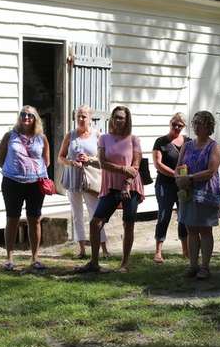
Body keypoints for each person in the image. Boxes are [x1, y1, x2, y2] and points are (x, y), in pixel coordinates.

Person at [77, 106, 144, 273]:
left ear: (127, 120)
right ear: (111, 119)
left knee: (128, 224)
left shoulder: (134, 139)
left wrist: (127, 184)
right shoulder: (104, 138)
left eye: (122, 118)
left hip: (131, 187)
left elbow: (135, 166)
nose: (118, 120)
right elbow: (103, 163)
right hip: (111, 186)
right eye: (116, 117)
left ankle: (124, 263)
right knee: (95, 222)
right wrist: (122, 169)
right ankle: (94, 262)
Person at [0, 105, 50, 271]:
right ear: (19, 117)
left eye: (30, 115)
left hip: (36, 184)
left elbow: (46, 161)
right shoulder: (9, 136)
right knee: (12, 219)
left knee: (34, 219)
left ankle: (35, 258)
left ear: (35, 119)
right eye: (23, 114)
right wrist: (16, 170)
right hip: (12, 183)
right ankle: (9, 258)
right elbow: (0, 160)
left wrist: (33, 170)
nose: (26, 117)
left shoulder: (42, 138)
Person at [58, 105, 109, 259]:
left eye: (84, 116)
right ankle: (82, 249)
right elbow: (60, 157)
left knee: (95, 213)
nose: (80, 119)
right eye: (78, 116)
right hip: (73, 179)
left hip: (91, 180)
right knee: (76, 214)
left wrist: (89, 159)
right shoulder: (70, 135)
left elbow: (104, 161)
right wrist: (71, 162)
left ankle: (104, 248)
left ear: (90, 118)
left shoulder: (98, 136)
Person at [176, 111, 220, 279]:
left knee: (205, 230)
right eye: (194, 122)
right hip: (187, 193)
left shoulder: (214, 146)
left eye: (200, 123)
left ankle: (205, 267)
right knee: (190, 228)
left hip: (206, 193)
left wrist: (190, 178)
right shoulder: (187, 145)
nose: (196, 126)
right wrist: (178, 178)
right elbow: (179, 165)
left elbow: (211, 171)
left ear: (208, 126)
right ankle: (193, 265)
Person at [152, 113, 189, 263]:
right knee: (164, 215)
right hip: (165, 185)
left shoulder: (188, 142)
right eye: (174, 124)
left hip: (183, 186)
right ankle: (158, 252)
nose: (177, 127)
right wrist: (176, 175)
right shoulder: (161, 142)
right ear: (170, 123)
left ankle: (186, 250)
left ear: (184, 127)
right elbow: (158, 164)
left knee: (184, 217)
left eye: (180, 125)